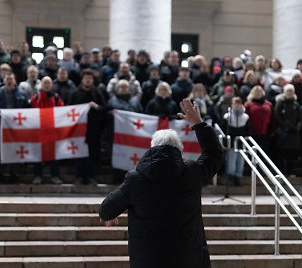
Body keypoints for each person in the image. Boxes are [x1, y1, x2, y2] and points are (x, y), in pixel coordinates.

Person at [99, 98, 224, 268]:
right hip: (189, 259)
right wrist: (198, 123)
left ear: (151, 148)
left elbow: (106, 208)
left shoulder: (135, 179)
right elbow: (214, 154)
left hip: (149, 260)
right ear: (180, 150)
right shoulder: (191, 173)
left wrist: (108, 215)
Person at [68, 69, 106, 185]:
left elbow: (104, 108)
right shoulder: (75, 93)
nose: (88, 80)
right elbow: (69, 110)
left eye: (90, 78)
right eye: (86, 78)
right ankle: (79, 176)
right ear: (82, 79)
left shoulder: (97, 93)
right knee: (79, 152)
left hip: (93, 129)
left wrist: (97, 107)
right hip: (78, 129)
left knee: (91, 152)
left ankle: (90, 176)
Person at [0, 72, 30, 182]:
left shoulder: (22, 94)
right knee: (0, 151)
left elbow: (27, 110)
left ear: (15, 80)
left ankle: (14, 174)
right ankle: (0, 174)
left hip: (16, 127)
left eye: (11, 79)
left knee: (15, 150)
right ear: (3, 81)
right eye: (7, 79)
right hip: (1, 126)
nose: (9, 81)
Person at [30, 76, 64, 184]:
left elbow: (62, 111)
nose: (47, 85)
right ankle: (37, 176)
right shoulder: (35, 98)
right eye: (45, 83)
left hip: (52, 131)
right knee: (38, 155)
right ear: (41, 84)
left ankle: (55, 176)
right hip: (39, 131)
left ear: (52, 85)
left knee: (53, 155)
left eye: (49, 83)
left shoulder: (56, 97)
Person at [274, 84, 302, 175]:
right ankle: (281, 172)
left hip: (293, 134)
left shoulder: (296, 104)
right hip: (283, 133)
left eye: (291, 91)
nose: (289, 93)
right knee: (282, 153)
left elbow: (300, 118)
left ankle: (290, 171)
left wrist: (296, 128)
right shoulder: (280, 103)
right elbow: (277, 116)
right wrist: (285, 126)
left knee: (291, 154)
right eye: (288, 91)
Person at [221, 97, 250, 186]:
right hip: (231, 142)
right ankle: (231, 176)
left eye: (238, 103)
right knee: (231, 160)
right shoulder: (227, 116)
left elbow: (248, 130)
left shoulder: (245, 117)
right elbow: (223, 129)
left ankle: (238, 177)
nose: (236, 105)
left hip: (241, 142)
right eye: (235, 103)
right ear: (232, 105)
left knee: (240, 161)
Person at [244, 85, 273, 155]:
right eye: (256, 92)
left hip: (265, 132)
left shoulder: (269, 104)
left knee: (264, 152)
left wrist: (272, 130)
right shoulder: (248, 104)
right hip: (252, 132)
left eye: (259, 91)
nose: (257, 93)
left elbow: (272, 118)